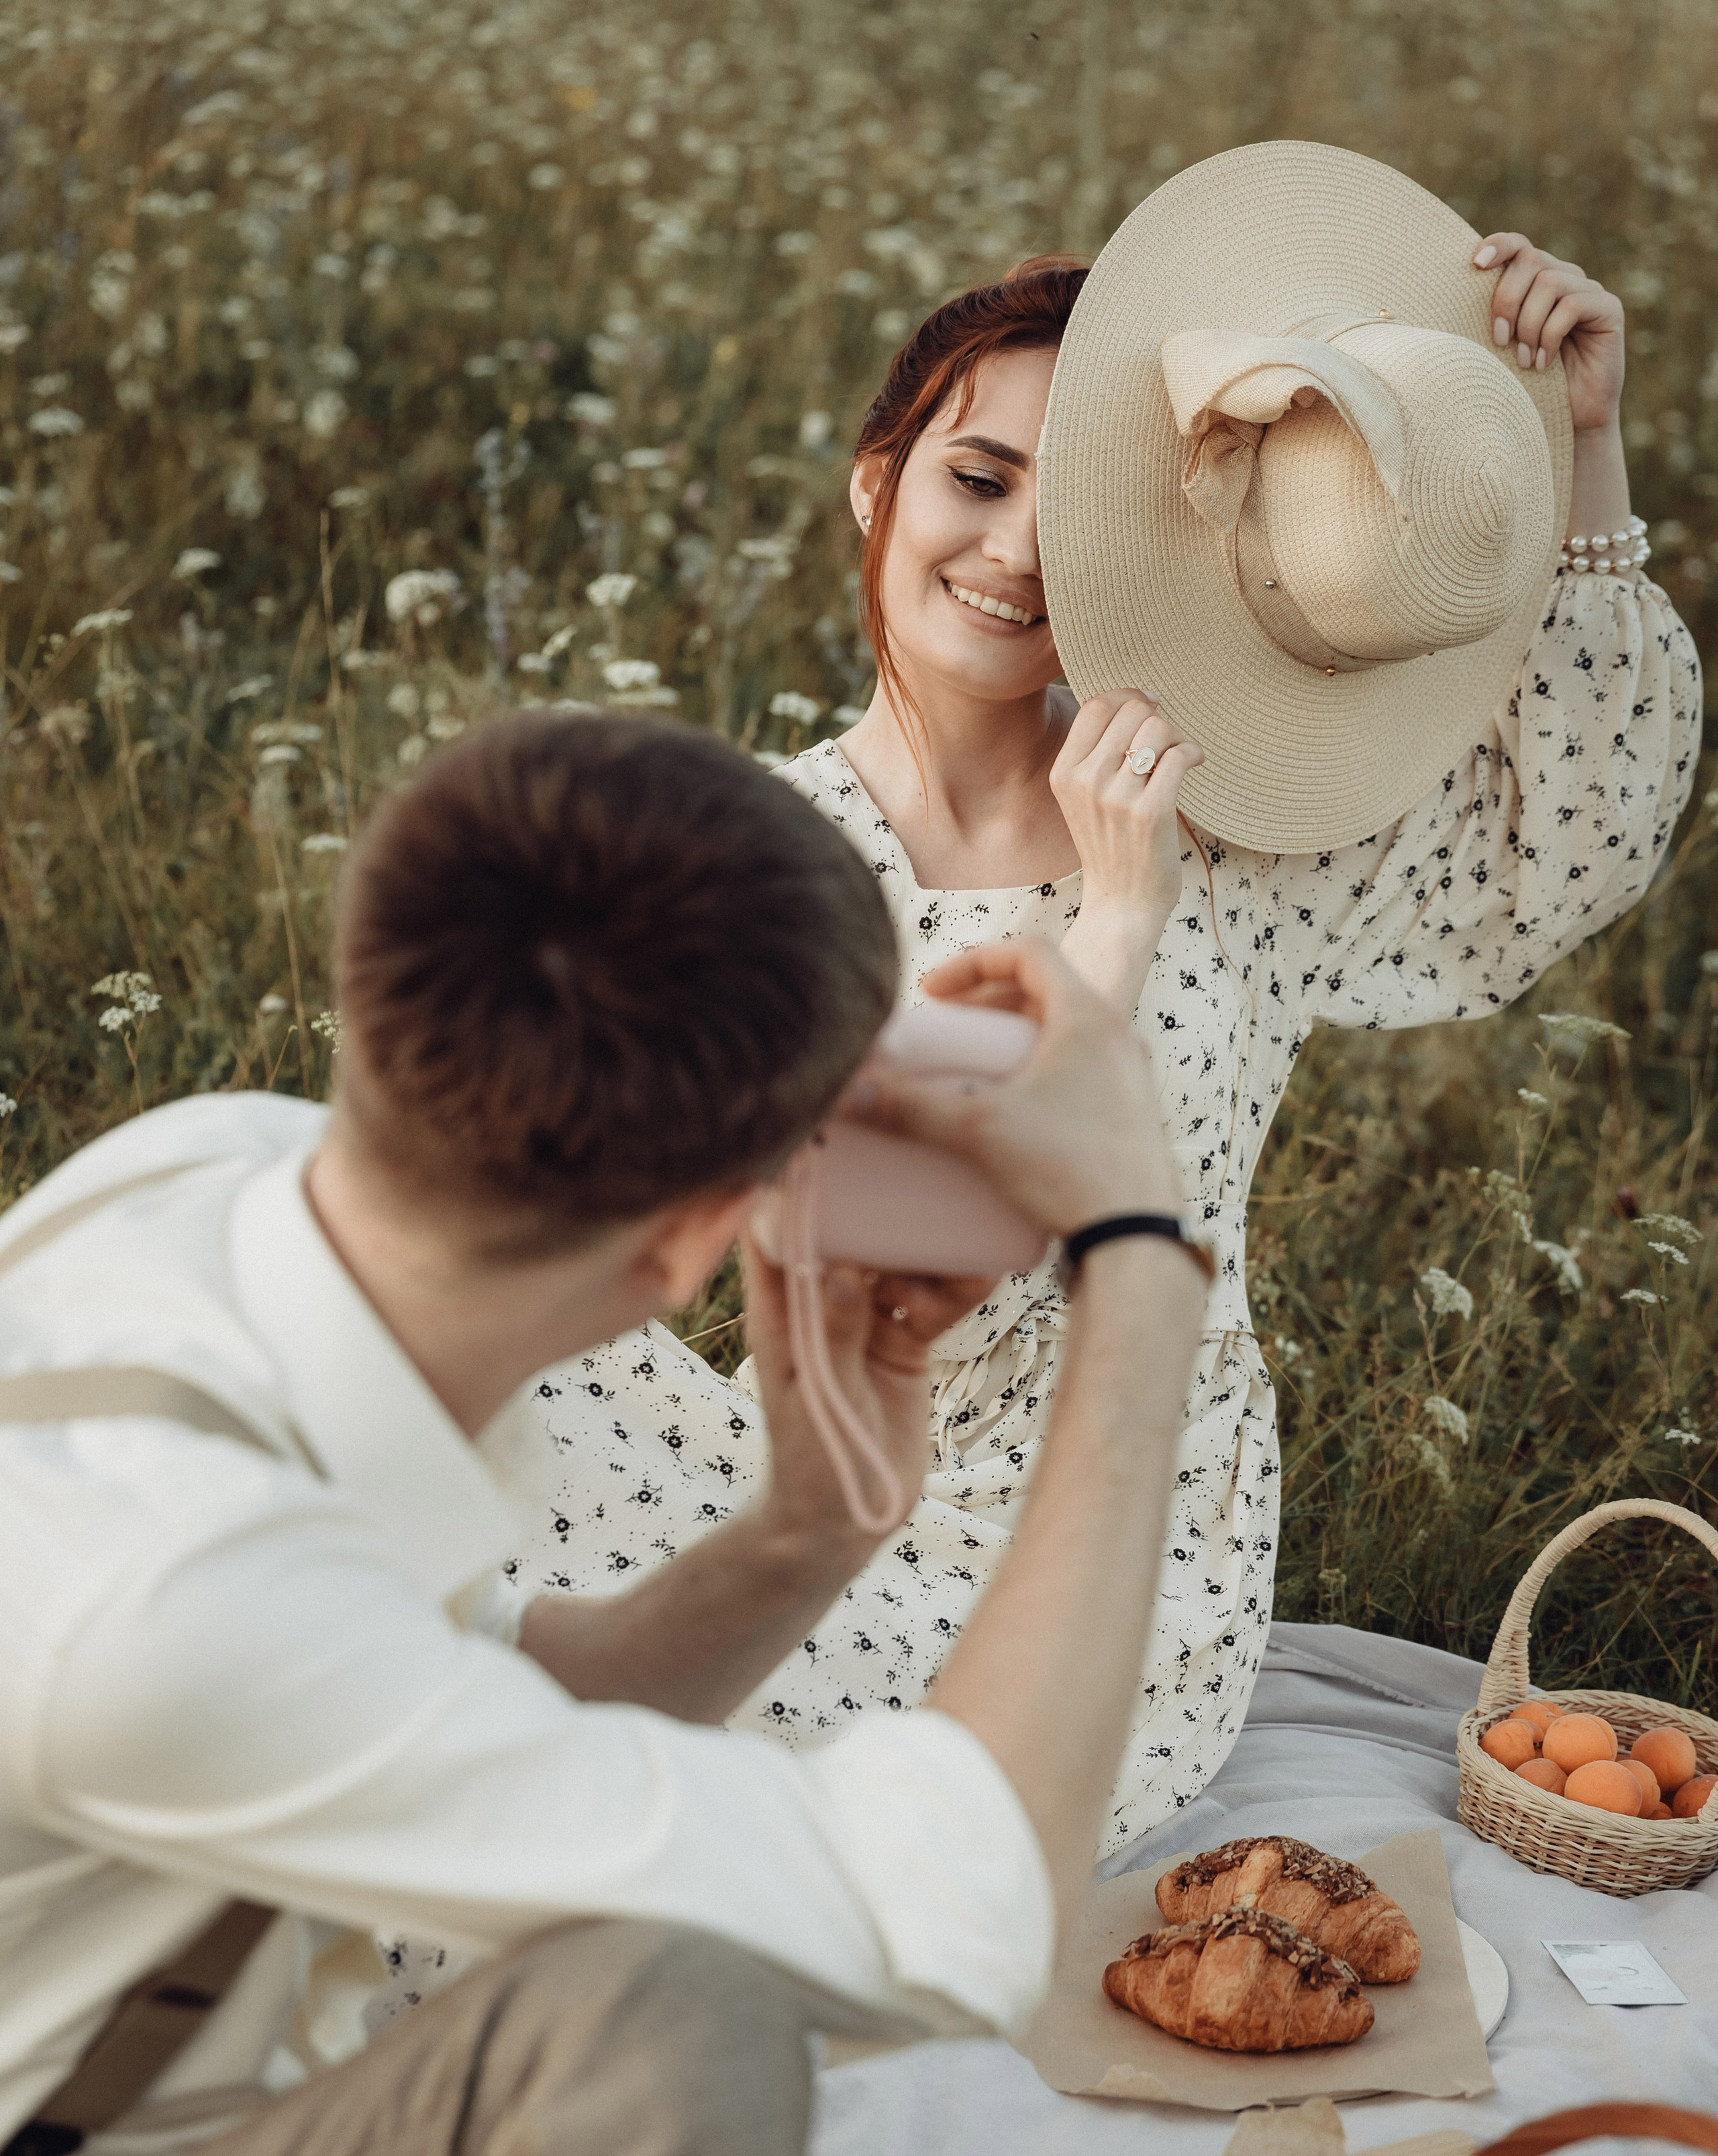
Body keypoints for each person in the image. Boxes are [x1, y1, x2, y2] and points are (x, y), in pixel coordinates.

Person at [0, 711, 1300, 2156]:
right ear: (702, 1242)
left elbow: (455, 1701)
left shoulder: (232, 1178)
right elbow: (965, 1906)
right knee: (646, 2010)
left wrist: (808, 1528)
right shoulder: (161, 1599)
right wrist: (1139, 1259)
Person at [517, 142, 1702, 1852]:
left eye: (1065, 511)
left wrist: (1580, 445)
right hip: (845, 1483)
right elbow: (889, 1311)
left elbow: (1560, 852)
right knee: (434, 1451)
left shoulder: (1222, 817)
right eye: (974, 479)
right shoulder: (763, 859)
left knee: (681, 1806)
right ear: (877, 487)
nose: (1012, 553)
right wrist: (1108, 937)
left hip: (1125, 1535)